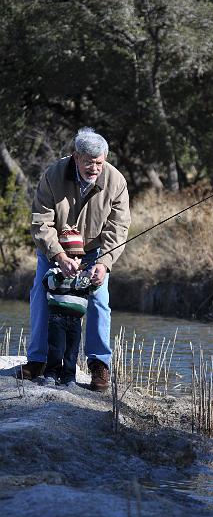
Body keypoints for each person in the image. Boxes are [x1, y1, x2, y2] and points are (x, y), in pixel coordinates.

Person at [18, 127, 131, 391]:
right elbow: (41, 223)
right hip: (56, 247)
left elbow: (119, 228)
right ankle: (38, 360)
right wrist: (58, 254)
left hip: (95, 252)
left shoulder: (116, 181)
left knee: (99, 299)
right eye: (89, 162)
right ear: (75, 157)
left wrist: (104, 263)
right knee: (40, 293)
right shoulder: (52, 176)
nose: (95, 168)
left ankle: (99, 364)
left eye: (100, 163)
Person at [42, 227, 98, 388]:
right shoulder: (53, 272)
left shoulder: (83, 276)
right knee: (56, 349)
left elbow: (90, 290)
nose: (75, 259)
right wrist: (62, 274)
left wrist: (92, 281)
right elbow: (48, 284)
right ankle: (51, 374)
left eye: (79, 256)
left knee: (72, 352)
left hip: (75, 321)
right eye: (71, 256)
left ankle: (69, 377)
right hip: (57, 319)